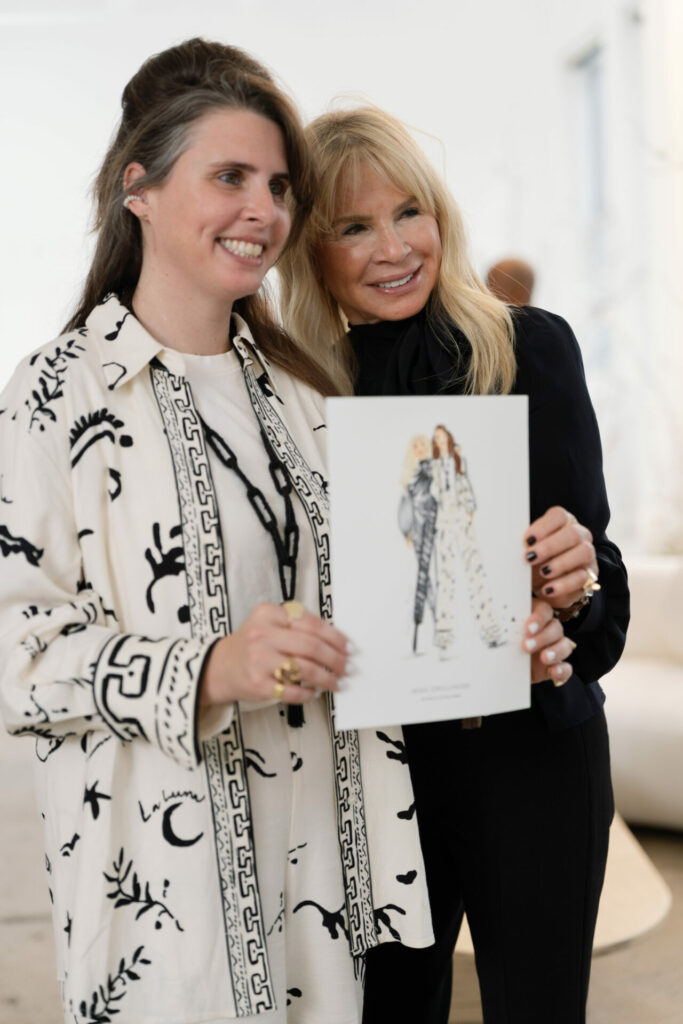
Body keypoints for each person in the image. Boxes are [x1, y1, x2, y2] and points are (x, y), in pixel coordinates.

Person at [0, 46, 444, 1024]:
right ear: (139, 190)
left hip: (323, 900)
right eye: (229, 177)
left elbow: (394, 610)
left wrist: (520, 590)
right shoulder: (52, 395)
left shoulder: (307, 402)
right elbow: (14, 653)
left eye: (279, 186)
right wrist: (211, 668)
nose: (264, 212)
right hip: (164, 922)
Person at [279, 106, 629, 1024]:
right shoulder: (292, 398)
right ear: (309, 250)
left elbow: (599, 593)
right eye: (353, 226)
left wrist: (575, 581)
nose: (392, 247)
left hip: (535, 758)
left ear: (442, 215)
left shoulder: (528, 347)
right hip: (378, 768)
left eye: (410, 212)